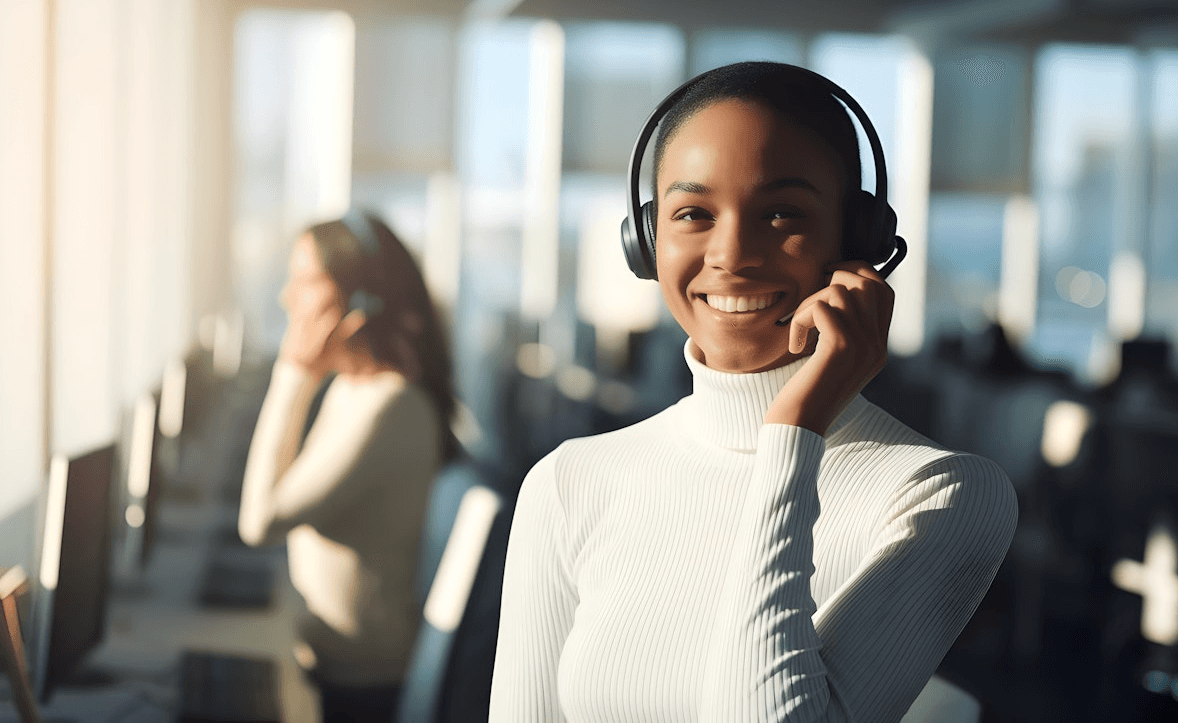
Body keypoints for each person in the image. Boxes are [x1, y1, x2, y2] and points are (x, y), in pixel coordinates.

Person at [490, 62, 1019, 721]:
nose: (733, 253)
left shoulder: (943, 493)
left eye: (781, 213)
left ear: (856, 240)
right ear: (648, 242)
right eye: (693, 213)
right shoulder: (569, 481)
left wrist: (795, 428)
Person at [238, 210, 455, 723]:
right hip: (326, 665)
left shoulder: (391, 406)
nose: (286, 298)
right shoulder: (353, 389)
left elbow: (259, 521)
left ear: (362, 299)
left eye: (305, 281)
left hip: (358, 694)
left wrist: (293, 373)